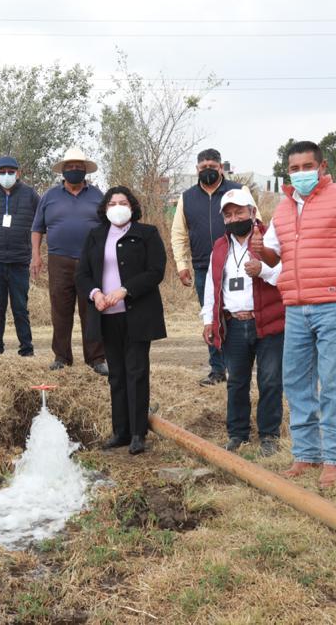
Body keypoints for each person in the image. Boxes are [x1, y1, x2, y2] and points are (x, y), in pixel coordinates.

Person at [253, 140, 336, 488]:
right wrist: (263, 251)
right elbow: (276, 258)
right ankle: (306, 454)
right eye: (294, 168)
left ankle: (334, 458)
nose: (301, 173)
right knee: (297, 382)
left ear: (321, 167)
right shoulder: (284, 208)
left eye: (308, 166)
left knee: (335, 384)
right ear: (287, 172)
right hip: (296, 306)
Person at [76, 187, 167, 455]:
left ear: (132, 207)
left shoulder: (147, 234)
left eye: (123, 202)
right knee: (116, 375)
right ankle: (121, 432)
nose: (118, 206)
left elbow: (156, 271)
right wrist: (96, 294)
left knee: (136, 372)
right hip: (106, 315)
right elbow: (82, 274)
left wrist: (124, 290)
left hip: (137, 314)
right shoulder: (95, 236)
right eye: (113, 202)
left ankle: (139, 433)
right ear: (105, 208)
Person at [200, 188, 285, 457]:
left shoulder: (270, 236)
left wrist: (263, 270)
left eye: (239, 211)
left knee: (270, 380)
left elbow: (285, 273)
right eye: (229, 214)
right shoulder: (220, 246)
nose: (235, 217)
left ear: (252, 211)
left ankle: (269, 435)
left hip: (268, 321)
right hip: (234, 324)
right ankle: (237, 434)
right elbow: (213, 287)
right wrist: (208, 319)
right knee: (236, 381)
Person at [31, 147, 107, 375]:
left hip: (91, 261)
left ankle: (96, 358)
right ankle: (62, 357)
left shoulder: (98, 195)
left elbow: (108, 227)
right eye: (70, 167)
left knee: (92, 309)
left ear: (85, 170)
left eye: (78, 167)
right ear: (63, 171)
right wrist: (35, 255)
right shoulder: (49, 196)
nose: (74, 170)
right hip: (58, 259)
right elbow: (37, 228)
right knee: (60, 310)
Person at [171, 149, 242, 386]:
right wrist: (182, 264)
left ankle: (238, 369)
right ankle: (217, 370)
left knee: (235, 316)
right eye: (203, 167)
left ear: (221, 167)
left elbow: (255, 223)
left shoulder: (237, 192)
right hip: (203, 267)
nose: (208, 170)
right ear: (197, 170)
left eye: (212, 165)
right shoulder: (187, 197)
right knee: (211, 317)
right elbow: (179, 233)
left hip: (236, 264)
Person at [0, 156, 40, 356]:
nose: (6, 175)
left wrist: (34, 253)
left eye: (10, 172)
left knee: (20, 307)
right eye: (2, 172)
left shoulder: (31, 195)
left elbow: (39, 225)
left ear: (18, 173)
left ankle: (26, 349)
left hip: (20, 261)